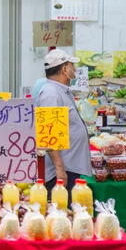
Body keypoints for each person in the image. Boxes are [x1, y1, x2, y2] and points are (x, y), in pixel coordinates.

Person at [36, 49, 92, 197]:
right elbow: (49, 135)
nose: (75, 70)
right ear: (64, 69)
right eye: (72, 66)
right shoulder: (51, 94)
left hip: (69, 166)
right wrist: (59, 168)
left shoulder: (59, 91)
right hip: (60, 172)